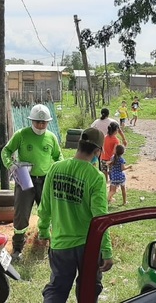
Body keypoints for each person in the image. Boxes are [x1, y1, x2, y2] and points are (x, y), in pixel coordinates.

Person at [37, 127, 114, 302]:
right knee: (88, 289)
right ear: (97, 151)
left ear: (78, 146)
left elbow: (45, 207)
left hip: (60, 244)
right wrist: (107, 251)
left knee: (56, 289)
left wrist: (43, 231)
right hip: (88, 246)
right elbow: (100, 218)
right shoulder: (95, 177)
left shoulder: (55, 169)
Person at [1, 103, 63, 260]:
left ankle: (48, 242)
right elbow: (6, 151)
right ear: (31, 121)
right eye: (37, 122)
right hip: (24, 177)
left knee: (49, 212)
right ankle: (17, 248)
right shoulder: (21, 135)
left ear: (48, 122)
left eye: (44, 122)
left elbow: (58, 157)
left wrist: (58, 170)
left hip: (46, 179)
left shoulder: (51, 137)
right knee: (21, 213)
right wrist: (11, 165)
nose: (41, 125)